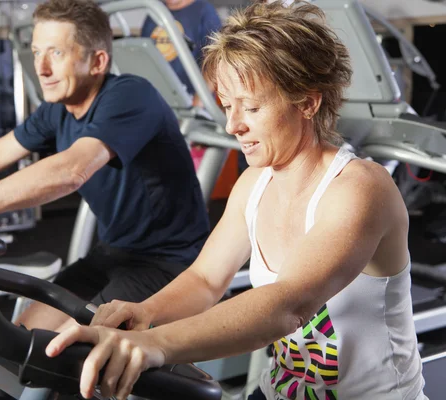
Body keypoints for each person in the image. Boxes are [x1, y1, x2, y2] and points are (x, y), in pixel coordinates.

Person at [46, 1, 428, 399]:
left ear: (308, 102)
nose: (233, 125)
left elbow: (288, 306)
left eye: (252, 107)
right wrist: (147, 312)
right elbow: (205, 279)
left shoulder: (360, 189)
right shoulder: (254, 184)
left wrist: (155, 345)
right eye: (228, 106)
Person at [0, 0, 210, 332]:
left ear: (97, 61)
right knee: (22, 338)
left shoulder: (131, 95)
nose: (41, 68)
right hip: (112, 254)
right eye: (36, 53)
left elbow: (70, 171)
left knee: (64, 353)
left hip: (167, 264)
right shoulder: (60, 108)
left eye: (56, 54)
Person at [141, 0, 222, 105]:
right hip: (159, 102)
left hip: (192, 104)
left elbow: (216, 61)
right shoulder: (154, 13)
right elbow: (144, 59)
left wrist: (198, 102)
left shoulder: (204, 10)